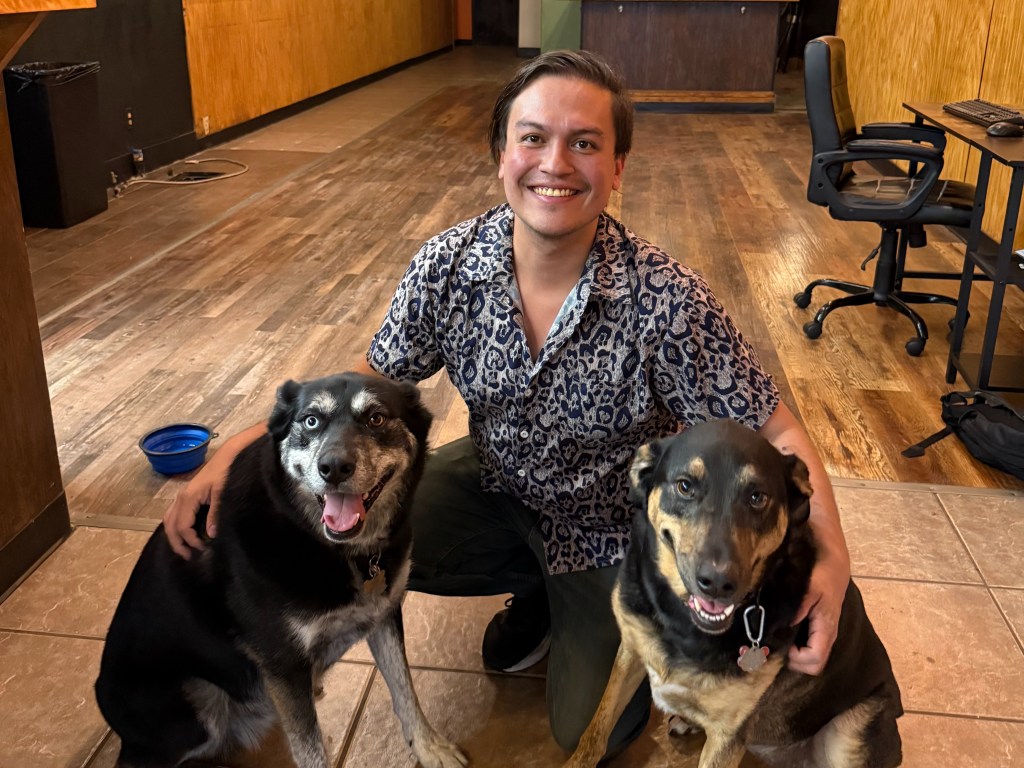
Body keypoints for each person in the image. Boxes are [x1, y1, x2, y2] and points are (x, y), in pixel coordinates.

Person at [164, 50, 851, 757]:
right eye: (533, 138)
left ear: (617, 168)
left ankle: (562, 597)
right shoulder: (448, 265)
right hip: (497, 484)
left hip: (608, 534)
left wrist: (832, 558)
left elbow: (780, 432)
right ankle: (533, 588)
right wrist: (239, 449)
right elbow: (369, 378)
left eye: (584, 143)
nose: (555, 162)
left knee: (594, 729)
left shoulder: (669, 302)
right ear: (501, 156)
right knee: (353, 539)